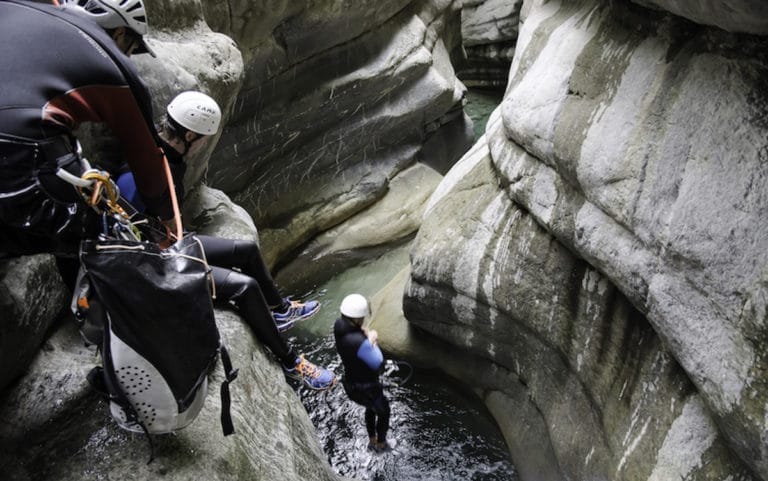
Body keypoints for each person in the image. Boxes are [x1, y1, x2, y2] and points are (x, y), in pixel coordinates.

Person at [116, 91, 335, 390]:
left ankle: (279, 309)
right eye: (203, 137)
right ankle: (292, 361)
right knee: (245, 288)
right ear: (189, 134)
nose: (205, 144)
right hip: (153, 264)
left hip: (166, 241)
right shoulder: (150, 171)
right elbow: (128, 224)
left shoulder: (161, 154)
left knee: (245, 250)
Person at [0, 0, 173, 261]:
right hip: (18, 152)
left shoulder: (20, 7)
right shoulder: (115, 67)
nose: (128, 56)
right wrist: (166, 218)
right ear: (120, 33)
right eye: (133, 47)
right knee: (104, 232)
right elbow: (147, 161)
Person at [333, 294, 392, 451]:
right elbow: (379, 364)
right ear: (359, 319)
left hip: (351, 384)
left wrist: (362, 333)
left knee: (370, 408)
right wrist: (372, 341)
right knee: (384, 412)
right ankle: (380, 443)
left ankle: (372, 439)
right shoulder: (361, 343)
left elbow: (353, 340)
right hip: (367, 388)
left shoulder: (338, 326)